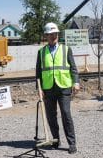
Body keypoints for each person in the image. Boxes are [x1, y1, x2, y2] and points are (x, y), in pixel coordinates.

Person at [35, 22, 80, 154]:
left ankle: (72, 143)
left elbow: (73, 68)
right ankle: (55, 140)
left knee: (66, 114)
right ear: (46, 36)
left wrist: (75, 82)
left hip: (64, 87)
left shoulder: (66, 49)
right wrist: (39, 88)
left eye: (55, 34)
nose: (53, 36)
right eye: (50, 34)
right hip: (48, 88)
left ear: (58, 35)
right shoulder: (41, 52)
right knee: (51, 116)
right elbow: (38, 72)